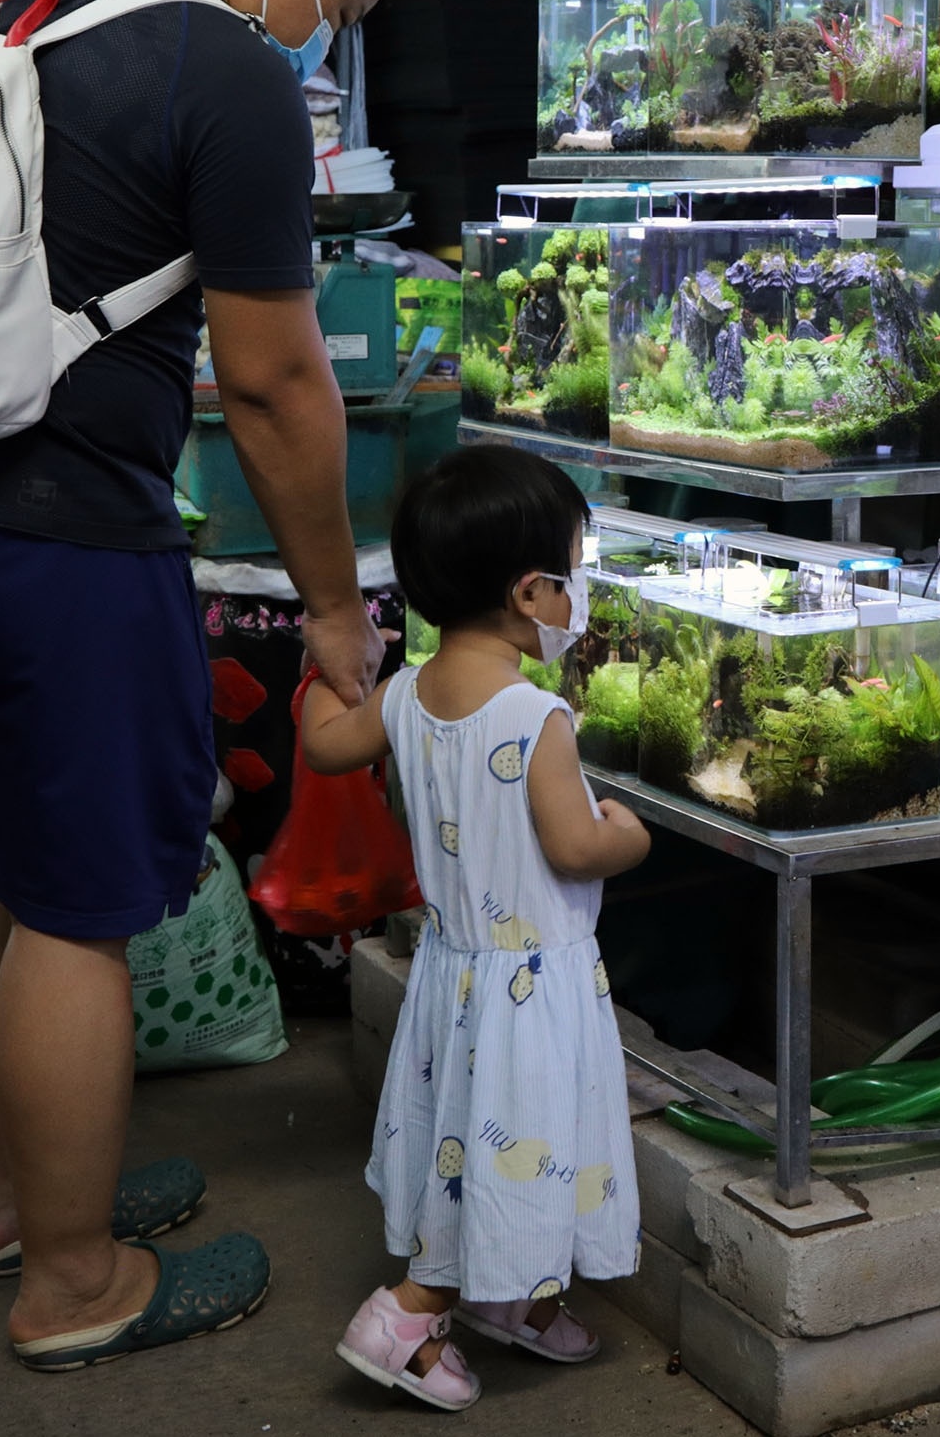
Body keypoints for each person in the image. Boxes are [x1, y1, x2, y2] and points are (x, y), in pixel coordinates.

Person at [0, 0, 410, 1372]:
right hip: (58, 537)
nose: (318, 44)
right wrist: (336, 609)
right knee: (77, 911)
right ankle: (76, 1285)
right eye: (331, 11)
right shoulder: (224, 64)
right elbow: (275, 383)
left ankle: (7, 1197)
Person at [304, 445, 649, 1411]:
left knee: (470, 1142)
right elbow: (577, 848)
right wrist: (632, 836)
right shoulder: (537, 717)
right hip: (530, 994)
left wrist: (325, 667)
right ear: (531, 592)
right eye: (572, 577)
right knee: (523, 1141)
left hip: (454, 979)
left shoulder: (407, 693)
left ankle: (519, 1301)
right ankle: (409, 1316)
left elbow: (327, 747)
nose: (577, 596)